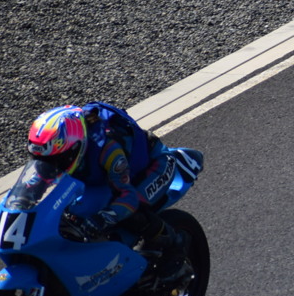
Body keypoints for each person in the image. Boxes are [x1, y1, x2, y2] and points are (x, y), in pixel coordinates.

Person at [25, 103, 185, 278]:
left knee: (133, 210)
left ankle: (174, 245)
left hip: (152, 167)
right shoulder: (61, 150)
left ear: (76, 146)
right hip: (101, 180)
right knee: (72, 214)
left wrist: (101, 219)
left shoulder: (108, 150)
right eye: (41, 159)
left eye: (56, 160)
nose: (51, 166)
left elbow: (127, 196)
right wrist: (20, 201)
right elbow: (39, 178)